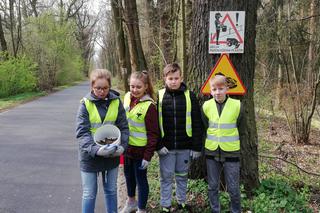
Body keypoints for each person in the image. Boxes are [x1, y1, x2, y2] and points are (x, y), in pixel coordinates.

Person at [76, 69, 129, 213]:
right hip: (90, 156)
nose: (101, 91)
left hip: (112, 154)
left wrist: (123, 147)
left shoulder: (116, 102)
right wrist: (96, 150)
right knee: (89, 193)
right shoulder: (85, 104)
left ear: (109, 86)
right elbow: (82, 133)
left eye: (105, 88)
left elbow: (124, 127)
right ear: (92, 87)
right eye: (98, 88)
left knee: (111, 190)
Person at [157, 63, 203, 212]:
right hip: (166, 148)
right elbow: (154, 124)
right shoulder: (159, 96)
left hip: (185, 147)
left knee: (182, 176)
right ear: (165, 78)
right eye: (170, 78)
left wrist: (196, 146)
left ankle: (182, 201)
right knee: (166, 177)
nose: (173, 81)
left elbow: (197, 122)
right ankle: (165, 204)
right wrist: (158, 145)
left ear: (181, 78)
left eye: (176, 78)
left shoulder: (190, 96)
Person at [202, 75, 244, 213]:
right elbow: (205, 125)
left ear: (227, 88)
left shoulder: (237, 105)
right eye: (214, 89)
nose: (218, 92)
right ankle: (215, 210)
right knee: (213, 186)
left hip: (231, 152)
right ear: (210, 90)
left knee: (233, 187)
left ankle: (235, 210)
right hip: (211, 152)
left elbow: (240, 126)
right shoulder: (206, 106)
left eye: (221, 88)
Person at [121, 71, 159, 213]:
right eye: (132, 86)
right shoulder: (126, 97)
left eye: (138, 87)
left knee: (140, 179)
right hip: (126, 149)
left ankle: (141, 209)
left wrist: (147, 156)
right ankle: (131, 201)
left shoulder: (150, 106)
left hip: (141, 151)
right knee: (128, 176)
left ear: (146, 87)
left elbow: (153, 134)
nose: (134, 90)